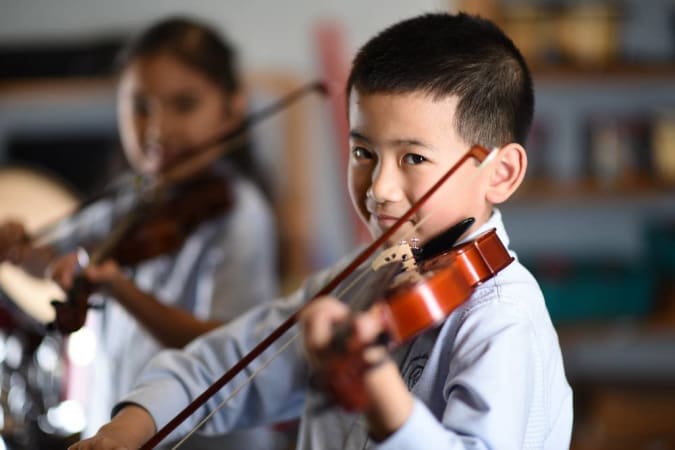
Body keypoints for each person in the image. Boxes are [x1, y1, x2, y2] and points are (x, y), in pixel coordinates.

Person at [69, 12, 573, 450]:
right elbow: (224, 362)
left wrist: (380, 393)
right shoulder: (367, 275)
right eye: (363, 153)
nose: (380, 188)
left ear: (502, 173)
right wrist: (129, 430)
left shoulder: (500, 322)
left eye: (414, 158)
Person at [0, 16, 294, 449]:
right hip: (120, 426)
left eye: (185, 104)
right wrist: (22, 251)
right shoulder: (129, 200)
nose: (157, 130)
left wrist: (123, 291)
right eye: (141, 107)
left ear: (233, 109)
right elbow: (59, 263)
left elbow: (227, 349)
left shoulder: (239, 214)